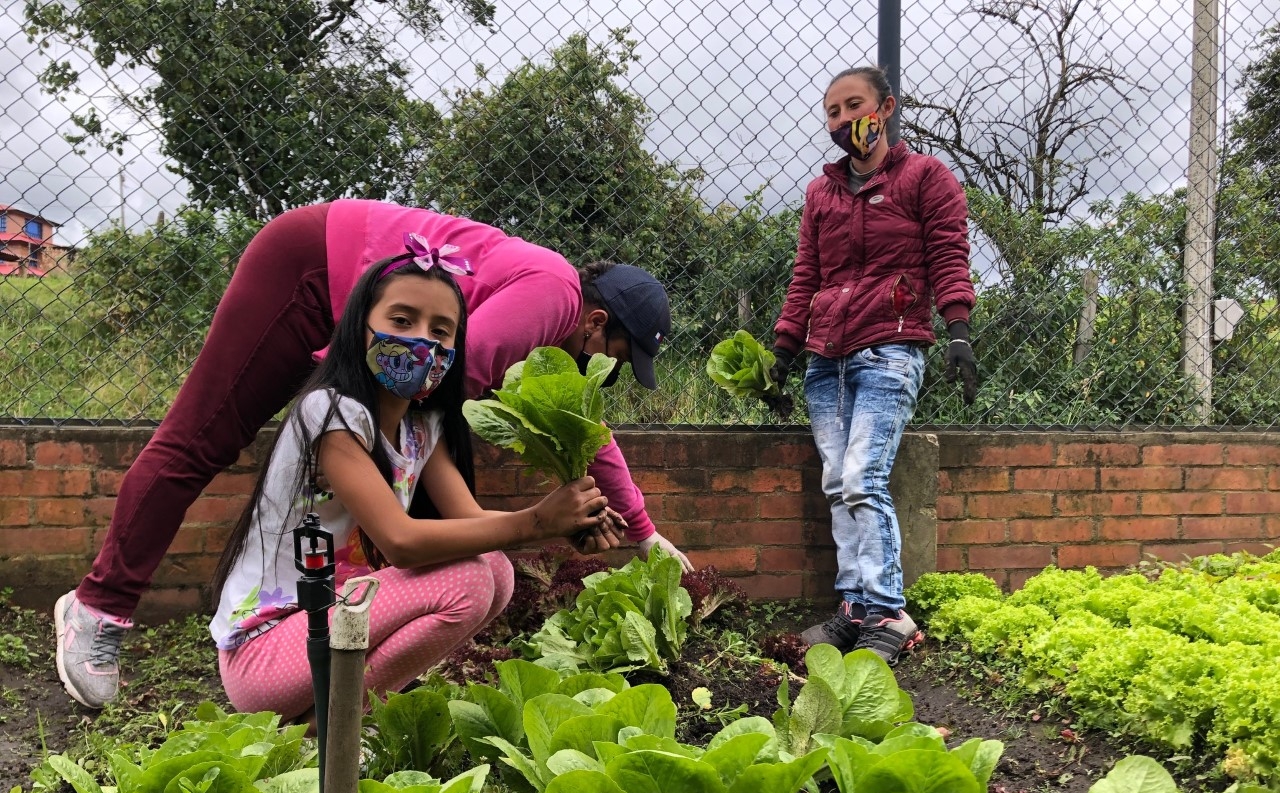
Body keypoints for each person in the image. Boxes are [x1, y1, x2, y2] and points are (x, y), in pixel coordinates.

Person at [54, 200, 691, 710]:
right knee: (203, 440)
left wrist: (640, 532)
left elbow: (581, 427)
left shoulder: (545, 343)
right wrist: (534, 522)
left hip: (359, 341)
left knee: (477, 558)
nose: (611, 373)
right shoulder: (555, 296)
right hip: (309, 266)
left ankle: (345, 695)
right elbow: (445, 378)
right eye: (621, 357)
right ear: (596, 321)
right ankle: (100, 606)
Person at [209, 244, 618, 718]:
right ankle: (320, 731)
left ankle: (330, 721)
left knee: (495, 570)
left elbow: (473, 522)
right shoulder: (330, 413)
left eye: (441, 330)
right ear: (359, 326)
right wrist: (537, 520)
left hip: (335, 625)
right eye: (402, 321)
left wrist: (564, 524)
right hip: (266, 650)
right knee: (466, 582)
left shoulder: (423, 427)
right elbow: (401, 542)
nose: (423, 342)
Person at [769, 65, 979, 664]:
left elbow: (947, 255)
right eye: (832, 112)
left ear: (885, 108)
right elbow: (806, 274)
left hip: (889, 347)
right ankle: (855, 608)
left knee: (864, 478)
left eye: (852, 105)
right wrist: (785, 349)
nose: (841, 120)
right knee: (838, 485)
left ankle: (890, 611)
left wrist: (957, 329)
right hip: (825, 358)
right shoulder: (821, 192)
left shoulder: (925, 178)